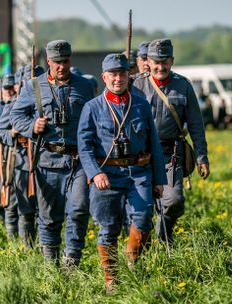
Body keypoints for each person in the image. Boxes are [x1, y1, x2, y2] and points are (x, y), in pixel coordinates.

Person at [78, 53, 166, 293]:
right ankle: (112, 281)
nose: (118, 79)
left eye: (122, 74)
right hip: (106, 175)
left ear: (129, 76)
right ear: (104, 77)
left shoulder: (140, 104)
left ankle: (132, 267)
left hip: (138, 172)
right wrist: (95, 174)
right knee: (108, 228)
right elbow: (83, 146)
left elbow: (153, 144)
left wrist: (159, 179)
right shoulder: (92, 108)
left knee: (143, 217)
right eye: (113, 74)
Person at [10, 40, 94, 267]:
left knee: (78, 208)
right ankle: (51, 266)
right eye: (56, 62)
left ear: (70, 60)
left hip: (77, 161)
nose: (61, 66)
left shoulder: (85, 86)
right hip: (47, 160)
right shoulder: (33, 87)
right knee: (48, 217)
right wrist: (32, 127)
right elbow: (16, 116)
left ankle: (72, 259)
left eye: (65, 61)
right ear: (48, 61)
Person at [134, 38, 210, 244]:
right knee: (141, 207)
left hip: (170, 155)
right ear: (147, 61)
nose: (160, 66)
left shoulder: (183, 85)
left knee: (174, 201)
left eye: (164, 61)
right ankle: (144, 248)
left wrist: (202, 157)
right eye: (156, 62)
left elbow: (196, 124)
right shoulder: (135, 85)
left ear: (172, 61)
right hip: (141, 155)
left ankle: (164, 234)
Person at [0, 65, 44, 246]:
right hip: (22, 162)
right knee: (26, 210)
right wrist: (13, 132)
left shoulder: (47, 102)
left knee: (44, 210)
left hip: (46, 160)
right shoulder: (14, 105)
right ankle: (28, 249)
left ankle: (44, 248)